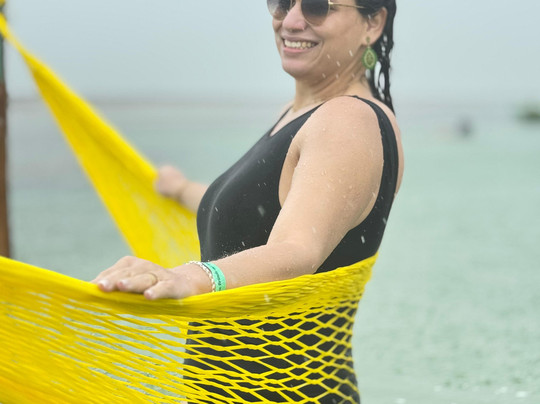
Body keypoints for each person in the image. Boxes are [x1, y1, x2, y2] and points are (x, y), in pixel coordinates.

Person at [92, 0, 403, 401]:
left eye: (317, 6)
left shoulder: (347, 122)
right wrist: (182, 189)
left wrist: (190, 278)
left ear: (373, 23)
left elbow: (297, 249)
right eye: (282, 3)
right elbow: (257, 211)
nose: (291, 21)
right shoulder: (302, 113)